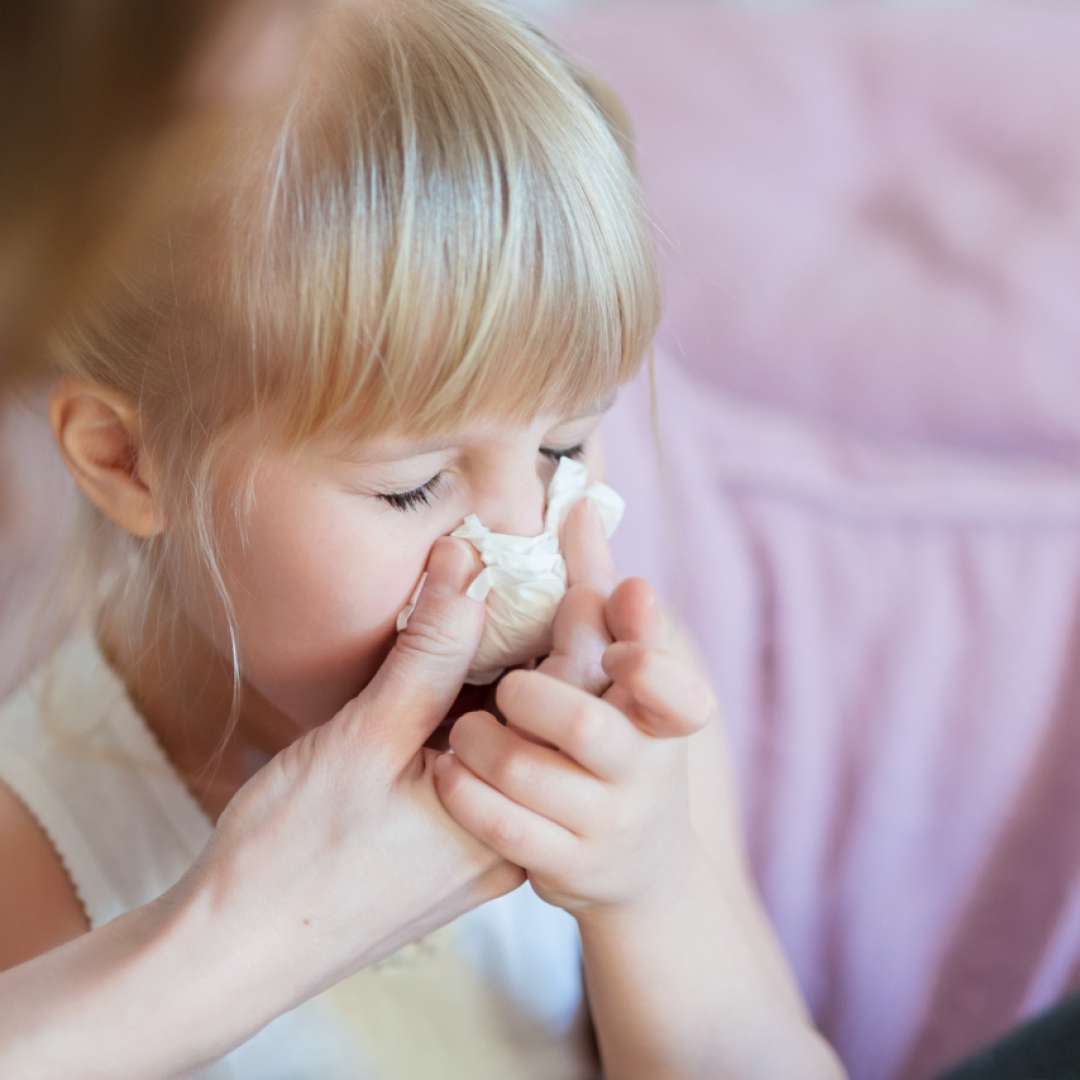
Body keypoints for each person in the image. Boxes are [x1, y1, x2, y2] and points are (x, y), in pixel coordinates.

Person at [0, 0, 844, 1076]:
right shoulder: (41, 848)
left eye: (568, 448)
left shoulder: (620, 739)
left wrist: (652, 887)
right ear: (127, 461)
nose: (522, 540)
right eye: (413, 488)